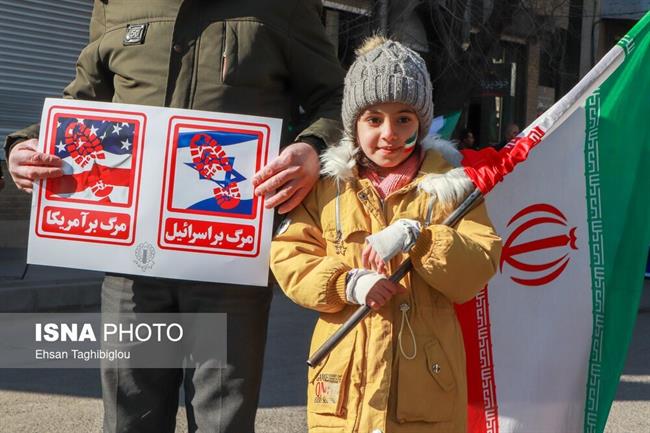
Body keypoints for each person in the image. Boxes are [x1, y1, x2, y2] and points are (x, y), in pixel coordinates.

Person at [4, 1, 344, 432]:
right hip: (132, 266)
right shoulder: (116, 5)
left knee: (223, 420)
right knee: (132, 418)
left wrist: (313, 147)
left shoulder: (283, 7)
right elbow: (84, 102)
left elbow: (335, 98)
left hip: (228, 262)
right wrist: (24, 147)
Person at [270, 37, 502, 433]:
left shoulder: (451, 186)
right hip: (344, 386)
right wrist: (347, 282)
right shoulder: (329, 187)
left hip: (426, 390)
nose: (389, 134)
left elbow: (479, 263)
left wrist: (422, 237)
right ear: (353, 123)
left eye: (404, 119)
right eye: (374, 120)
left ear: (422, 122)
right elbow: (290, 255)